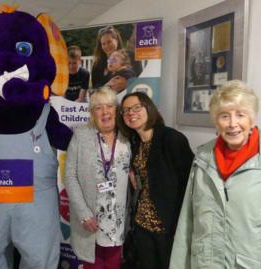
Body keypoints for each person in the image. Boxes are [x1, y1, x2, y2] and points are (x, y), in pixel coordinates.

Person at [170, 80, 261, 268]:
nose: (232, 124)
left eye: (240, 115)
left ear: (251, 120)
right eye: (224, 116)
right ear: (216, 121)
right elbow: (187, 221)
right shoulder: (202, 158)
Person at [119, 92, 194, 269]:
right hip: (142, 225)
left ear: (149, 108)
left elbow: (190, 185)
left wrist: (181, 227)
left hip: (166, 228)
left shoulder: (171, 139)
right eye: (126, 110)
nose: (131, 113)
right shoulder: (135, 142)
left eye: (136, 107)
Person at [65, 87, 131, 269]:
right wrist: (84, 215)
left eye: (109, 106)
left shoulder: (128, 137)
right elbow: (70, 177)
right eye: (98, 107)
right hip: (91, 221)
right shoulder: (81, 136)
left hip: (118, 222)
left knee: (114, 264)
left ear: (116, 110)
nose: (105, 112)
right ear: (92, 112)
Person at [91, 26, 123, 90]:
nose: (107, 46)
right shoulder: (97, 64)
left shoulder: (128, 60)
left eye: (109, 42)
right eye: (103, 44)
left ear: (117, 41)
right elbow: (95, 87)